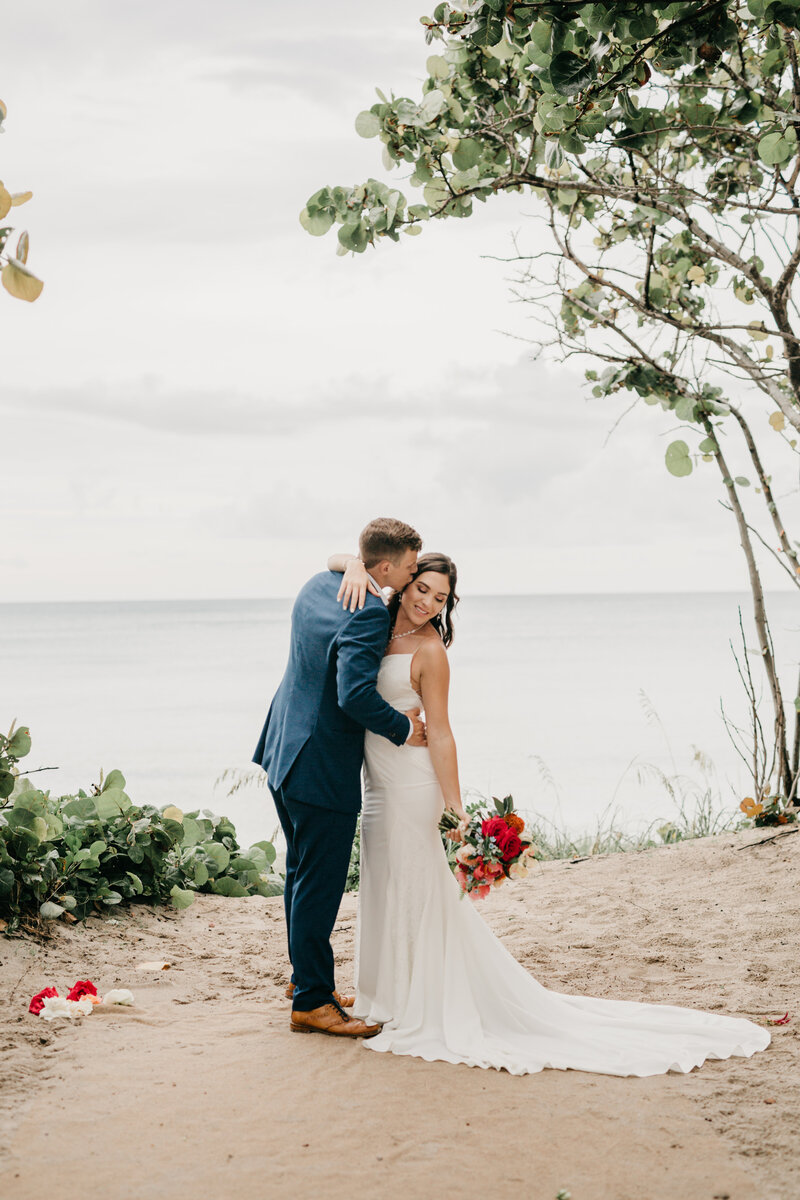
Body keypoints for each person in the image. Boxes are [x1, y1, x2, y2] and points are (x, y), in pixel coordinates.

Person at [327, 551, 771, 1076]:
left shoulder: (430, 651)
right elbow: (343, 565)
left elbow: (442, 731)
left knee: (421, 886)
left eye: (440, 597)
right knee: (384, 882)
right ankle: (385, 997)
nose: (427, 602)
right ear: (402, 583)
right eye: (421, 588)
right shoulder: (375, 621)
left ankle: (419, 1005)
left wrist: (455, 810)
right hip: (377, 784)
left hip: (414, 785)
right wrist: (355, 564)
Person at [252, 517, 427, 1039]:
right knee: (320, 885)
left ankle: (306, 980)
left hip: (283, 747)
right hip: (321, 765)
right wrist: (404, 728)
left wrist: (349, 562)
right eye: (412, 566)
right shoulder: (370, 613)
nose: (415, 572)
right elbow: (355, 696)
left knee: (299, 873)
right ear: (388, 566)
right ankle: (310, 1002)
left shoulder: (317, 585)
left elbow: (339, 563)